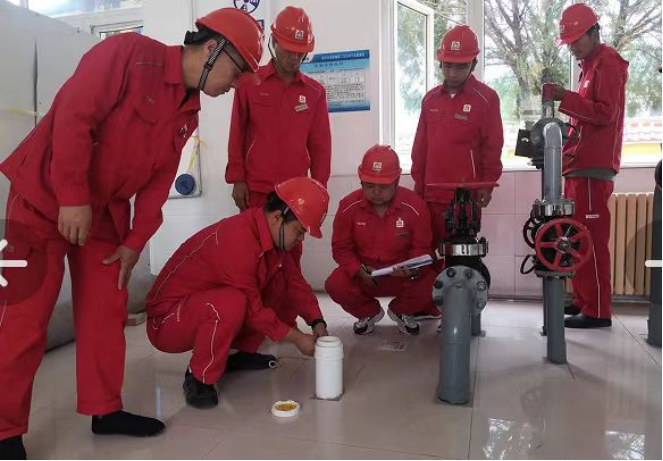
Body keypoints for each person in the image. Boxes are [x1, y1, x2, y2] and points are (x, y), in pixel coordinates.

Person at [0, 8, 264, 460]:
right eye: (237, 72)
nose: (235, 86)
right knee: (24, 317)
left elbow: (159, 181)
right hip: (42, 195)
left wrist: (134, 241)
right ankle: (5, 431)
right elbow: (74, 116)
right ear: (211, 48)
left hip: (103, 212)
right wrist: (72, 197)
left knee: (106, 308)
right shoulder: (126, 54)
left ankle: (104, 410)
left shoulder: (188, 111)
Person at [146, 178, 330, 409]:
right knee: (232, 303)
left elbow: (295, 283)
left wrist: (317, 321)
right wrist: (296, 338)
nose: (301, 239)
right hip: (166, 321)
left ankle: (238, 353)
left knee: (278, 282)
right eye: (300, 231)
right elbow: (253, 310)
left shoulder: (272, 240)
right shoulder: (238, 239)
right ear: (277, 218)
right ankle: (198, 376)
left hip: (196, 307)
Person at [544, 3, 630, 329]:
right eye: (568, 42)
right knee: (577, 237)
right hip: (580, 163)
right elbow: (587, 114)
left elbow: (605, 113)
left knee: (590, 240)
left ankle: (597, 311)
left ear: (595, 32)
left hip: (594, 166)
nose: (573, 47)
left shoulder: (607, 63)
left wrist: (564, 97)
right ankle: (583, 299)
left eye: (577, 39)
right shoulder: (590, 66)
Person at [226, 6, 332, 267]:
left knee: (289, 260)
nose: (294, 57)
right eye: (288, 50)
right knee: (253, 254)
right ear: (273, 42)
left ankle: (286, 297)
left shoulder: (314, 93)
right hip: (255, 189)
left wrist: (319, 190)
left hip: (295, 195)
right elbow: (237, 132)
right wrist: (237, 179)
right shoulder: (250, 83)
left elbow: (320, 146)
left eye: (300, 52)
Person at [325, 146, 439, 336]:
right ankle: (368, 312)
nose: (376, 192)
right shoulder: (348, 206)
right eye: (369, 186)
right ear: (361, 180)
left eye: (384, 186)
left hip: (402, 277)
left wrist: (412, 270)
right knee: (335, 285)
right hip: (365, 275)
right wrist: (357, 270)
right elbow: (341, 249)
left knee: (435, 283)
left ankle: (401, 311)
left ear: (397, 181)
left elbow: (422, 248)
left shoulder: (415, 206)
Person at [411, 25, 504, 247]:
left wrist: (487, 185)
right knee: (428, 253)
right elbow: (420, 147)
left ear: (474, 64)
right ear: (440, 63)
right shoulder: (430, 100)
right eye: (447, 65)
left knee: (462, 256)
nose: (452, 73)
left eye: (460, 66)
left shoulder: (486, 99)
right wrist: (419, 185)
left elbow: (493, 148)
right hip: (432, 193)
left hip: (465, 197)